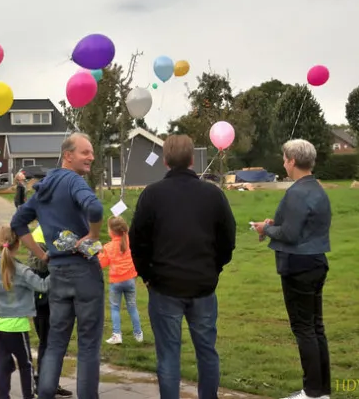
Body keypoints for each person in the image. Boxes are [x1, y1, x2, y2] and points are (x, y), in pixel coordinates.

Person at [129, 134, 236, 399]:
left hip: (165, 286)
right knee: (207, 352)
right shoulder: (213, 194)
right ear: (191, 160)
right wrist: (214, 269)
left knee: (168, 356)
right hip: (200, 285)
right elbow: (228, 239)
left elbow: (137, 241)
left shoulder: (151, 195)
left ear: (165, 161)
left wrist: (147, 275)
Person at [11, 132, 104, 399]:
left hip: (57, 273)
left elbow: (18, 223)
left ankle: (45, 393)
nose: (91, 157)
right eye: (85, 152)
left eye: (92, 152)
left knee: (54, 343)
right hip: (84, 270)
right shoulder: (73, 180)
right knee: (88, 345)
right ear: (68, 155)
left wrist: (42, 254)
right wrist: (94, 236)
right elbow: (95, 209)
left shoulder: (44, 187)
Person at [252, 139, 331, 399]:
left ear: (293, 161)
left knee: (304, 329)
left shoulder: (297, 191)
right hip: (316, 261)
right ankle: (322, 390)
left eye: (285, 159)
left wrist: (266, 229)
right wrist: (276, 224)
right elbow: (303, 224)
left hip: (299, 265)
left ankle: (311, 392)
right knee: (316, 327)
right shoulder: (317, 189)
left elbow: (290, 233)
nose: (284, 163)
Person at [0, 225, 49, 399]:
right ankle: (29, 396)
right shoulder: (22, 271)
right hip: (16, 327)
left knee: (4, 364)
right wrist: (58, 272)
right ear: (18, 243)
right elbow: (43, 286)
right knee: (26, 364)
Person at [26, 225, 72, 397]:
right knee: (47, 342)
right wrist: (57, 253)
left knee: (56, 343)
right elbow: (37, 265)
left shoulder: (61, 228)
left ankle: (51, 382)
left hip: (59, 297)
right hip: (43, 300)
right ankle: (42, 384)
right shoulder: (41, 233)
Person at [99, 216, 143, 345]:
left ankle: (117, 334)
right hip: (130, 280)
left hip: (116, 282)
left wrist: (95, 254)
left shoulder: (108, 247)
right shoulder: (130, 241)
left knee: (115, 308)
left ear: (111, 231)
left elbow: (102, 263)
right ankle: (138, 334)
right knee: (132, 307)